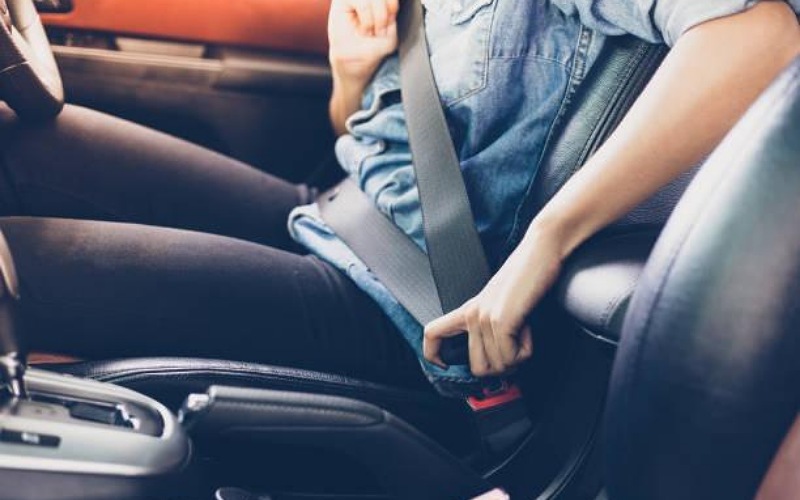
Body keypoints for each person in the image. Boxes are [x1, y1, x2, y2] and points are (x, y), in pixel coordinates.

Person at [0, 0, 797, 397]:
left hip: (407, 302)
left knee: (17, 266)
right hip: (339, 214)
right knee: (20, 137)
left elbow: (761, 36)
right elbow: (365, 135)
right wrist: (352, 70)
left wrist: (546, 243)